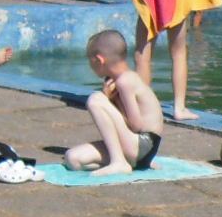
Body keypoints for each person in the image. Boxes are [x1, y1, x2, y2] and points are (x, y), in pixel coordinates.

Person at [64, 29, 164, 176]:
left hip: (142, 145)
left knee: (95, 100)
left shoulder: (125, 81)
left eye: (90, 61)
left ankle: (119, 162)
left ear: (99, 60)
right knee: (72, 159)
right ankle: (125, 162)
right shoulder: (116, 82)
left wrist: (107, 101)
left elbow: (136, 125)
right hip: (133, 147)